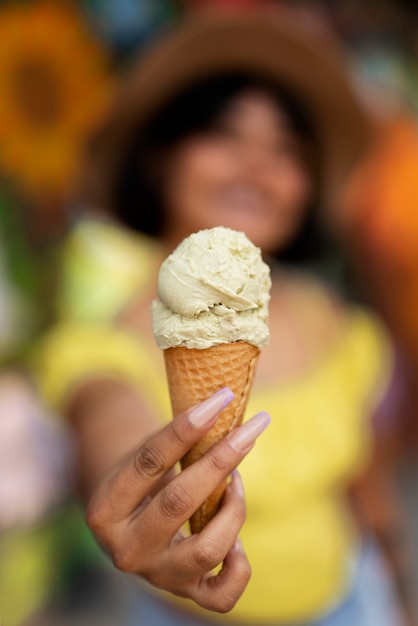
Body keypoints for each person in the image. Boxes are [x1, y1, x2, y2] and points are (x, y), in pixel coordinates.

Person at [33, 8, 413, 626]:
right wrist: (130, 497)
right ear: (159, 156)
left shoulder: (335, 323)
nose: (257, 163)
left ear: (307, 187)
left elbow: (364, 482)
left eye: (288, 148)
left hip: (353, 601)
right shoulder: (108, 343)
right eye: (223, 133)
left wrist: (395, 584)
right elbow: (108, 422)